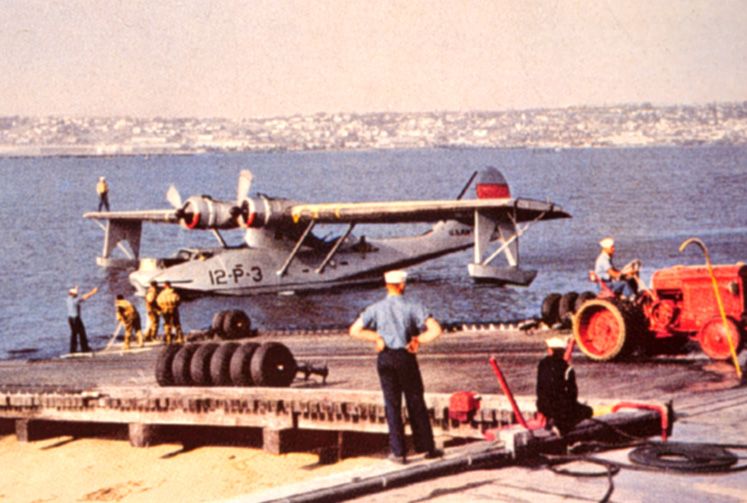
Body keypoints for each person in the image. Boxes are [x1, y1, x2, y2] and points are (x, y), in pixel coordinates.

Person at [349, 270, 443, 464]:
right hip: (405, 356)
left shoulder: (375, 308)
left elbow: (354, 330)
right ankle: (426, 447)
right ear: (402, 285)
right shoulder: (413, 306)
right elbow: (436, 329)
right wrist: (418, 340)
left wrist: (376, 337)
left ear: (386, 285)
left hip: (385, 358)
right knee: (415, 401)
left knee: (392, 404)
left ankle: (398, 452)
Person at [536, 336, 593, 435]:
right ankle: (561, 427)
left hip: (543, 405)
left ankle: (551, 420)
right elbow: (572, 393)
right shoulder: (567, 368)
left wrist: (541, 409)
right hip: (560, 407)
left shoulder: (542, 364)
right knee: (587, 411)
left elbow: (539, 387)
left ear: (551, 351)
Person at [66, 285, 98, 353]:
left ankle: (73, 350)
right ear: (74, 294)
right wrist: (93, 292)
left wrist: (76, 288)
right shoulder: (75, 301)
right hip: (76, 319)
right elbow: (85, 297)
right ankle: (84, 348)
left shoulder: (68, 299)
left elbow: (75, 295)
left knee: (74, 334)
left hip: (70, 319)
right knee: (82, 333)